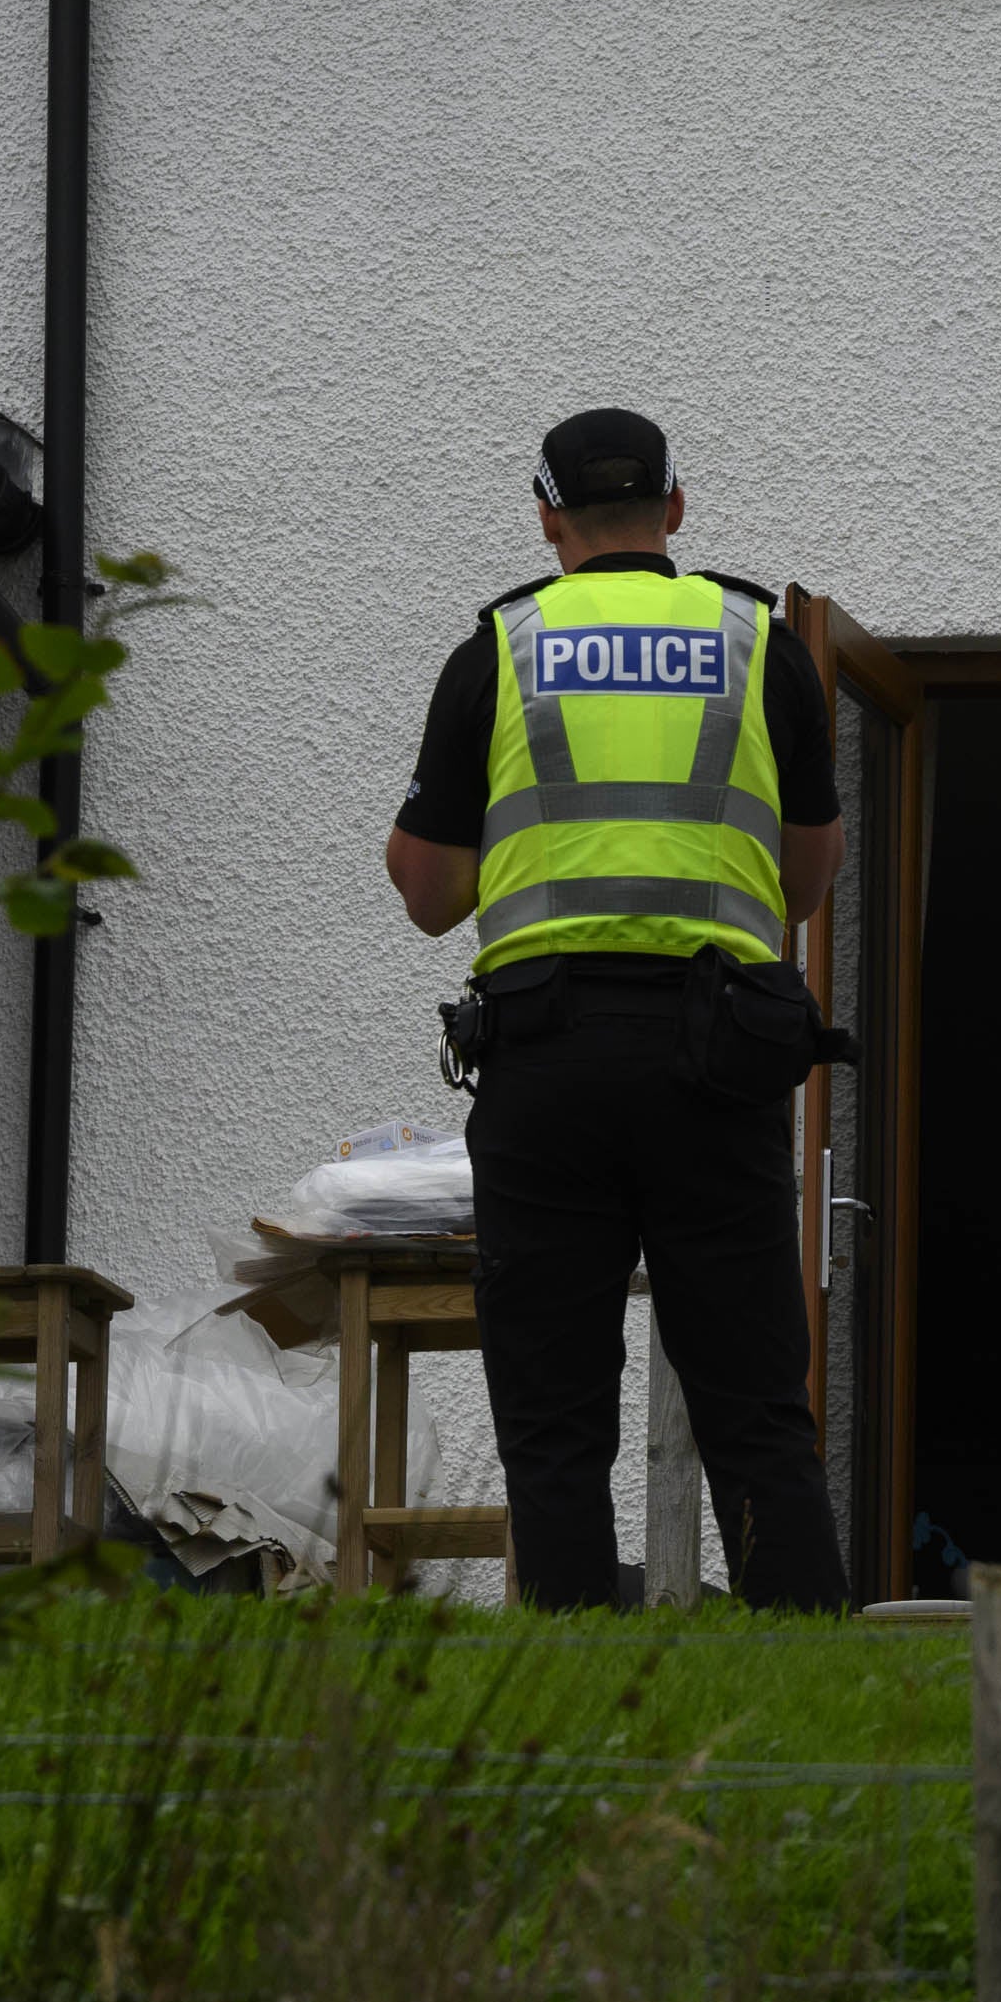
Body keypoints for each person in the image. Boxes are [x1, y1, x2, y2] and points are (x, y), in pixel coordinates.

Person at [385, 406, 850, 1612]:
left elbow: (429, 892)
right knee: (755, 1405)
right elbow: (804, 882)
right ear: (676, 510)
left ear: (548, 519)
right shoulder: (759, 643)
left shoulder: (500, 646)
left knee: (553, 1418)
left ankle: (580, 1685)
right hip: (721, 1058)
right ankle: (804, 1664)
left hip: (549, 1060)